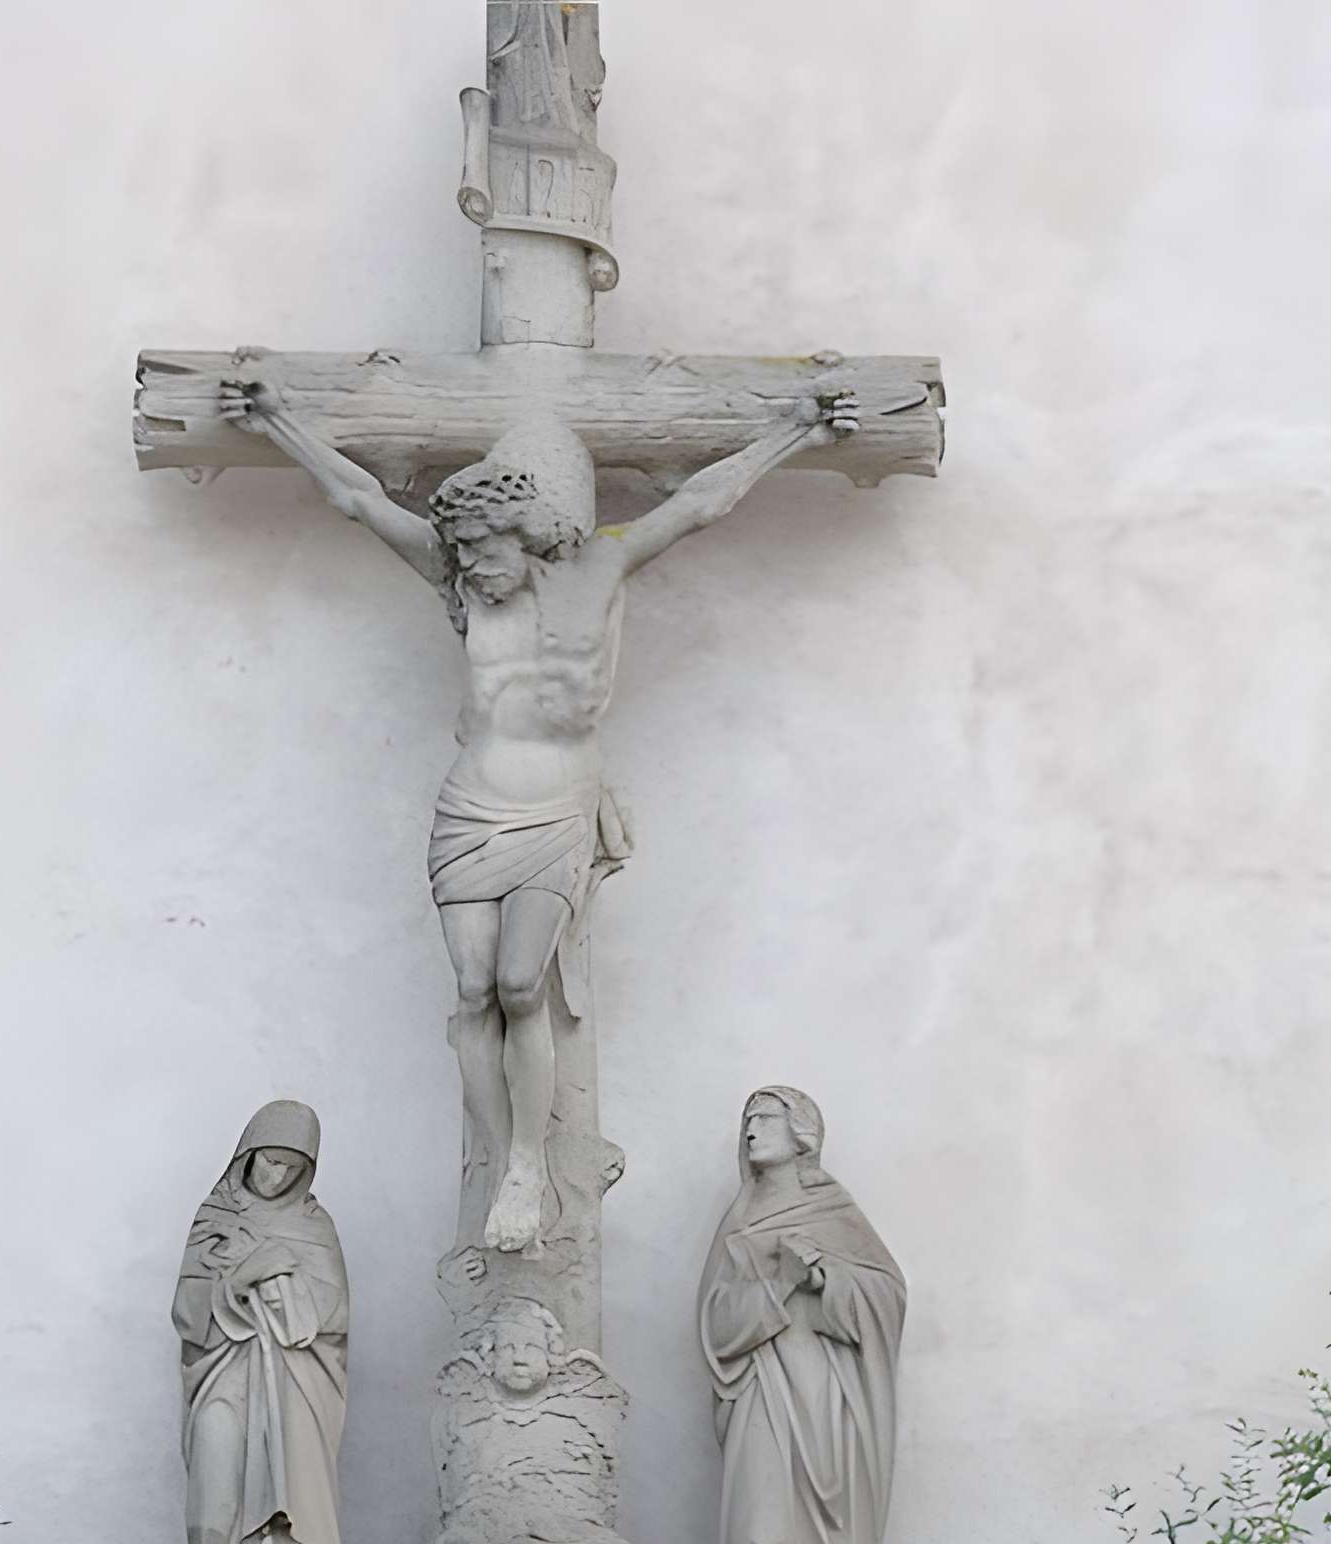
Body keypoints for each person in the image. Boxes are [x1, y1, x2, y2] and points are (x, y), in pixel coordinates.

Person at [218, 380, 854, 1254]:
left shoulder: (600, 566)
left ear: (527, 537)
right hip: (471, 808)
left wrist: (797, 429)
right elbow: (361, 500)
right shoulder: (465, 583)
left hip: (554, 807)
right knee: (473, 991)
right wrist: (278, 422)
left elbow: (702, 501)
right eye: (462, 552)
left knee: (523, 986)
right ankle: (501, 1157)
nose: (471, 566)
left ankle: (528, 1160)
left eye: (484, 549)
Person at [696, 1087, 906, 1544]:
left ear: (803, 1134)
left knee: (829, 1534)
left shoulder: (835, 1212)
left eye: (765, 1116)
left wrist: (824, 1279)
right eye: (747, 1118)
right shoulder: (737, 1221)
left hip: (826, 1399)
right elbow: (714, 1326)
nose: (751, 1127)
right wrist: (779, 1284)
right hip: (762, 1391)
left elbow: (888, 1298)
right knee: (762, 1532)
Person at [166, 1099, 348, 1544]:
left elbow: (330, 1326)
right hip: (224, 1380)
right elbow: (189, 1316)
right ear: (247, 1154)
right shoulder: (215, 1221)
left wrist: (286, 1282)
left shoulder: (315, 1228)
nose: (276, 1176)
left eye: (292, 1166)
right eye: (270, 1159)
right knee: (211, 1520)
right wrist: (240, 1275)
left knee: (281, 1525)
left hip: (292, 1400)